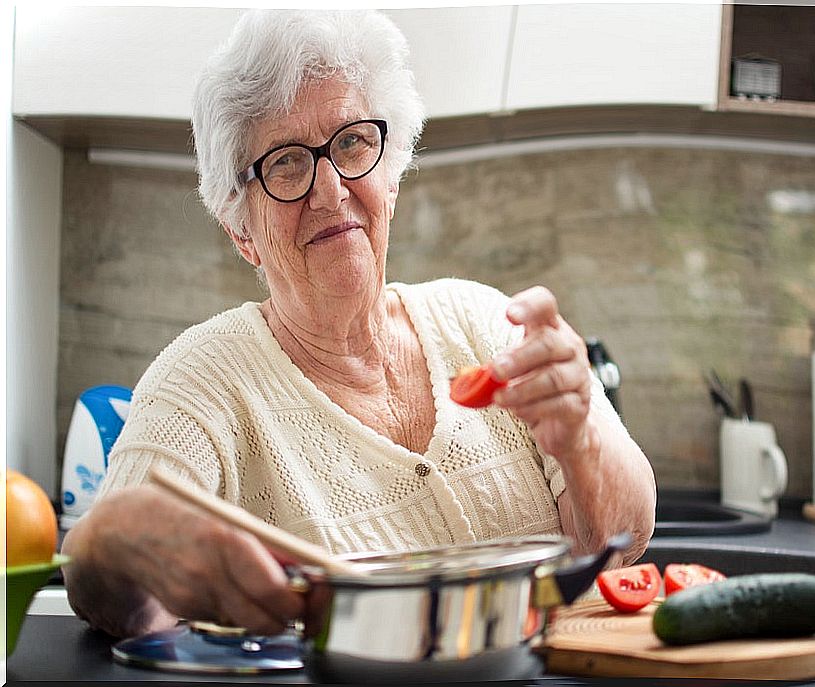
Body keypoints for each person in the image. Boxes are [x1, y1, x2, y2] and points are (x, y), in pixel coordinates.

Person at [62, 9, 657, 640]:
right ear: (241, 229)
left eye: (352, 143)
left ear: (392, 172)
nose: (330, 189)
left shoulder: (484, 319)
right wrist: (112, 537)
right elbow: (106, 588)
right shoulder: (201, 384)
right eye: (286, 163)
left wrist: (581, 441)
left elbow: (621, 542)